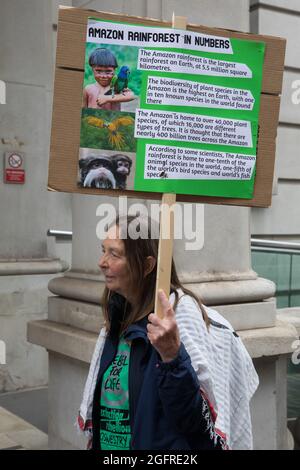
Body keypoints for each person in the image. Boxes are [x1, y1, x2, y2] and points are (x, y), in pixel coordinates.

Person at [77, 215, 259, 450]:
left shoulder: (182, 316)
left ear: (147, 265)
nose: (102, 262)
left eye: (115, 254)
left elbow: (197, 422)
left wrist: (172, 357)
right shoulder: (117, 317)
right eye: (103, 250)